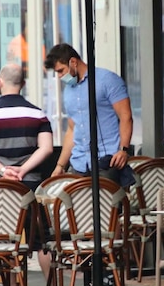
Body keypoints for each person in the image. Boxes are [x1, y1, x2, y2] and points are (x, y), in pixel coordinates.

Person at [0, 63, 54, 286]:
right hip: (31, 186)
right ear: (23, 84)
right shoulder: (38, 114)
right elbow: (46, 148)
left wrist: (3, 169)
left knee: (5, 239)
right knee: (41, 239)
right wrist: (23, 169)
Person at [44, 43, 134, 187]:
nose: (60, 76)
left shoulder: (107, 80)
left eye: (61, 71)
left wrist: (123, 150)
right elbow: (72, 129)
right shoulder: (68, 91)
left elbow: (126, 117)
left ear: (73, 62)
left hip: (108, 160)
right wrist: (60, 166)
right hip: (79, 162)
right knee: (76, 207)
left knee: (107, 207)